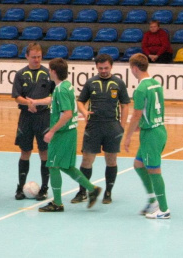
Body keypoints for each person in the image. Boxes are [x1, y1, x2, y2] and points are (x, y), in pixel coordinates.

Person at [30, 58, 102, 212]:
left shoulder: (61, 89)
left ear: (54, 72)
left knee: (53, 165)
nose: (49, 72)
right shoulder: (66, 86)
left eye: (50, 70)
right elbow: (54, 100)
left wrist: (51, 131)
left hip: (63, 134)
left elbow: (67, 114)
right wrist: (37, 102)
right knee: (68, 167)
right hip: (70, 132)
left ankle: (57, 203)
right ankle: (92, 189)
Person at [71, 54, 130, 205]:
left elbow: (125, 105)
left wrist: (121, 126)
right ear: (96, 67)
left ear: (111, 67)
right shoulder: (91, 82)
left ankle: (108, 192)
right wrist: (84, 112)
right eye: (100, 68)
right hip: (94, 126)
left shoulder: (118, 83)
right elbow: (80, 101)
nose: (103, 71)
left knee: (111, 160)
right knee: (86, 160)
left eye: (106, 68)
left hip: (112, 126)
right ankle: (83, 191)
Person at [123, 53, 170, 219]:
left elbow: (136, 114)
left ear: (134, 68)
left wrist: (127, 136)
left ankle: (163, 209)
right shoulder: (156, 84)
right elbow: (152, 109)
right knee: (138, 164)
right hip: (158, 129)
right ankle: (152, 200)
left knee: (154, 170)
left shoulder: (141, 89)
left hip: (151, 135)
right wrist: (142, 124)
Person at [12, 43, 55, 201]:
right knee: (25, 152)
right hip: (26, 117)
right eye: (33, 57)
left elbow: (53, 97)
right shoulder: (20, 74)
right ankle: (20, 187)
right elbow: (16, 96)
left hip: (44, 118)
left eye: (39, 57)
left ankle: (44, 188)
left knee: (44, 153)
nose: (36, 60)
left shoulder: (48, 74)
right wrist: (28, 103)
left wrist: (36, 102)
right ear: (27, 56)